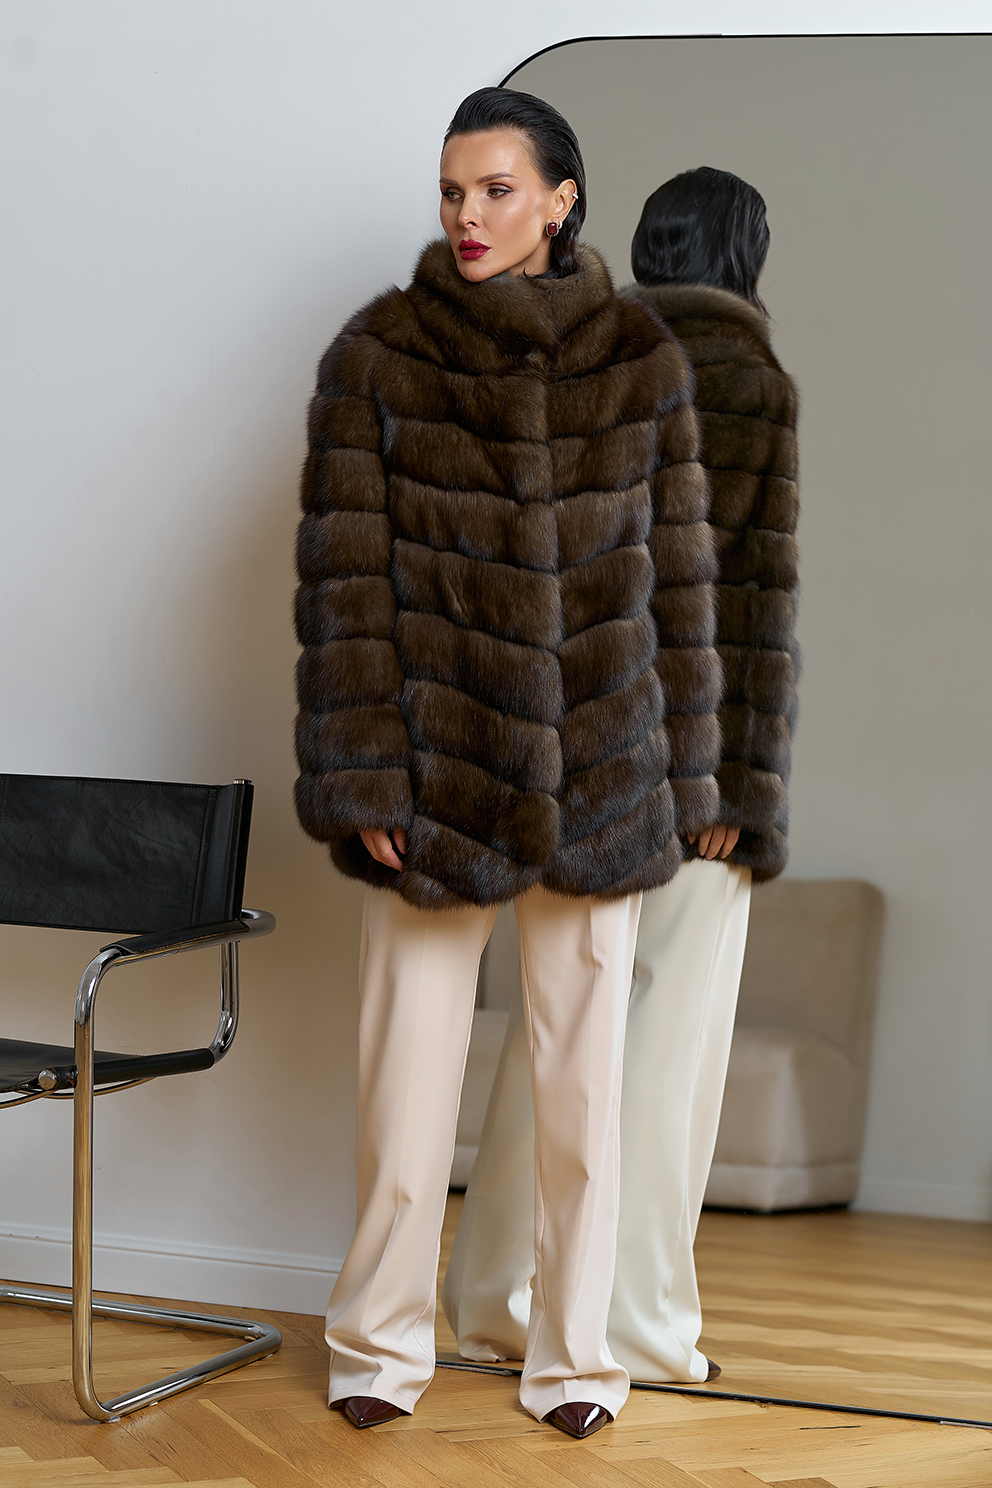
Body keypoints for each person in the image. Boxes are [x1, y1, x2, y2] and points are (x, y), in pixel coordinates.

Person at [293, 95, 722, 1437]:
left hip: (601, 775)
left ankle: (575, 1361)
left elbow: (681, 588)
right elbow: (347, 589)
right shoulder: (377, 357)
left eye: (494, 189)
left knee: (583, 1104)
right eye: (450, 191)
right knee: (403, 1096)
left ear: (561, 199)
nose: (466, 215)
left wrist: (687, 781)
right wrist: (365, 776)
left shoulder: (641, 360)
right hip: (437, 785)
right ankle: (376, 1347)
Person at [442, 166, 799, 1385]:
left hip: (566, 757)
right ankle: (633, 1325)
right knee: (661, 1054)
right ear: (744, 253)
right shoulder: (745, 377)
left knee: (547, 1040)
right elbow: (742, 602)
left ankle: (496, 1304)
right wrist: (730, 788)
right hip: (683, 778)